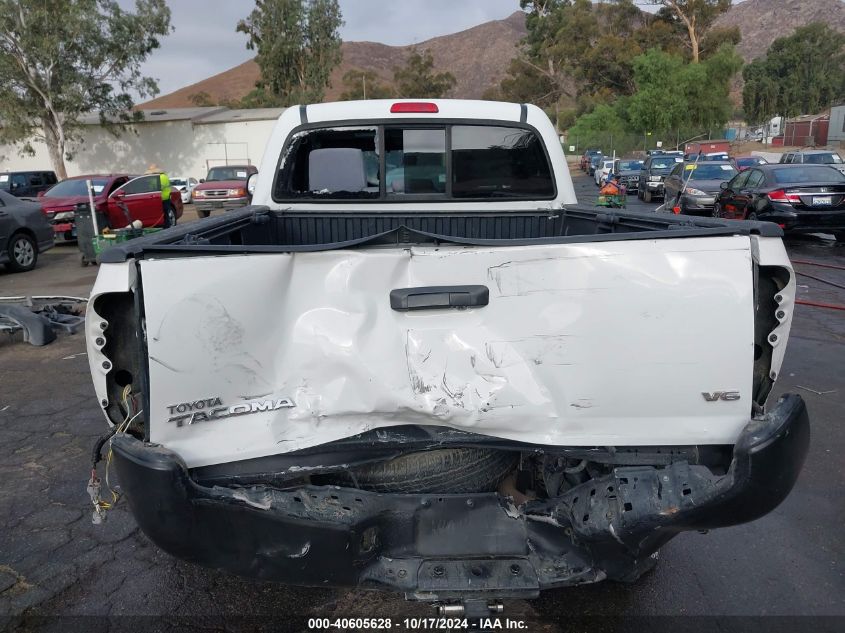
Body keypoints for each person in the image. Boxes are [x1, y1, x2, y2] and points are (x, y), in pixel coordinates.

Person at [147, 164, 174, 228]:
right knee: (165, 214)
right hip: (164, 198)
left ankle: (166, 227)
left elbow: (159, 187)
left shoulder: (161, 177)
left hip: (163, 198)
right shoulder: (163, 176)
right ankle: (166, 226)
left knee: (164, 214)